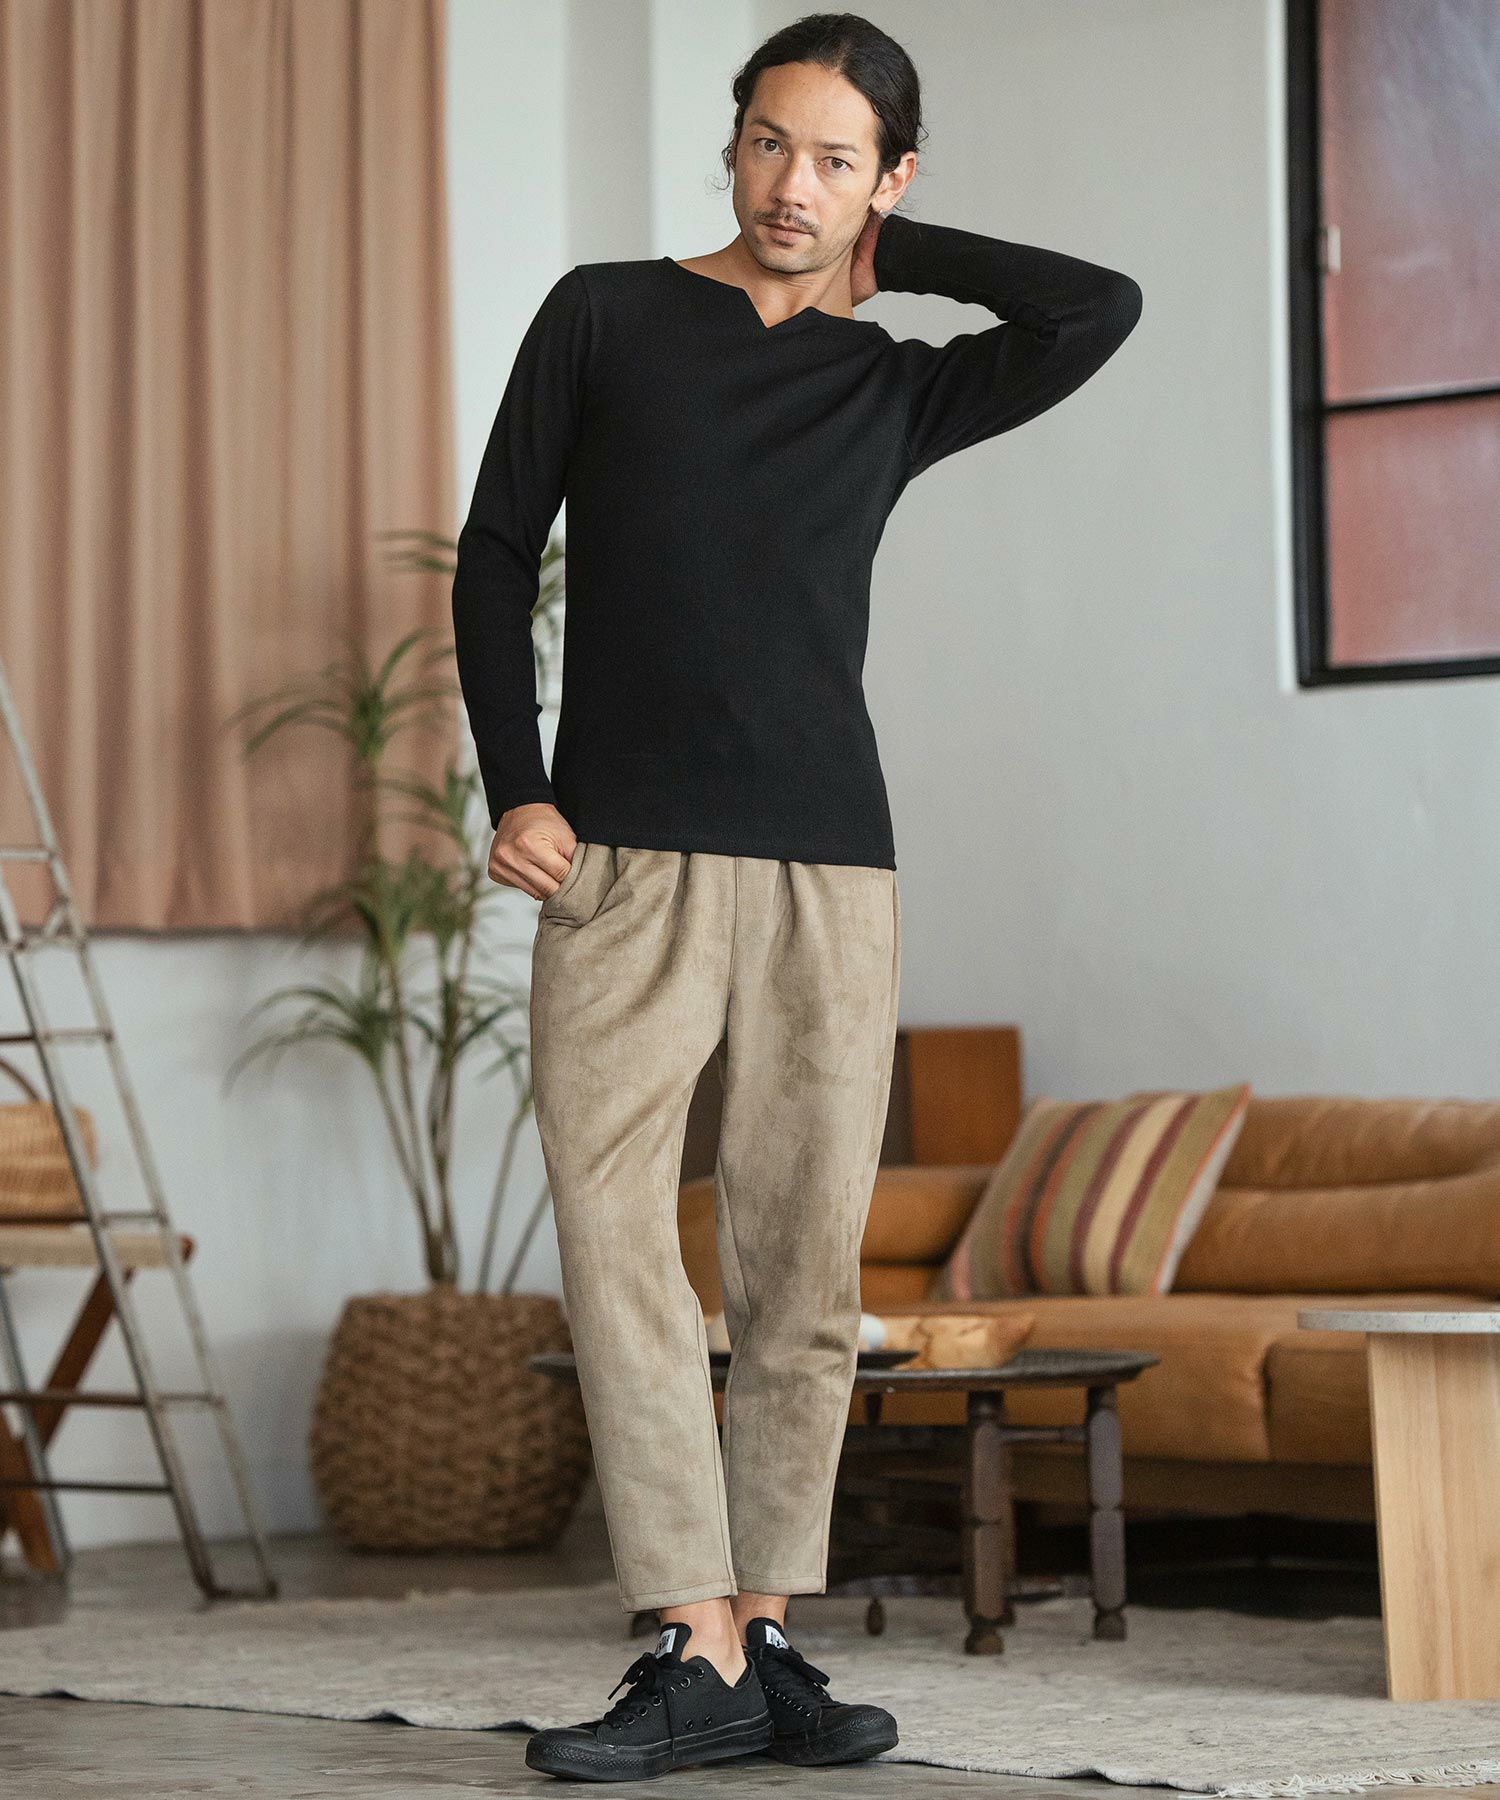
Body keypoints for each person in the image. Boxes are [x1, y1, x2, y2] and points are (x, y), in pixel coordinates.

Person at [451, 11, 1141, 1784]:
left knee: (801, 1260)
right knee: (615, 1235)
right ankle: (687, 1635)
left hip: (832, 865)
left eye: (838, 159)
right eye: (771, 143)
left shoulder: (891, 383)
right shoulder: (605, 315)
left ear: (889, 181)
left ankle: (761, 1638)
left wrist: (892, 251)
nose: (792, 186)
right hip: (620, 859)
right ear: (731, 144)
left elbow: (1097, 307)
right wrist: (520, 785)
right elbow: (496, 549)